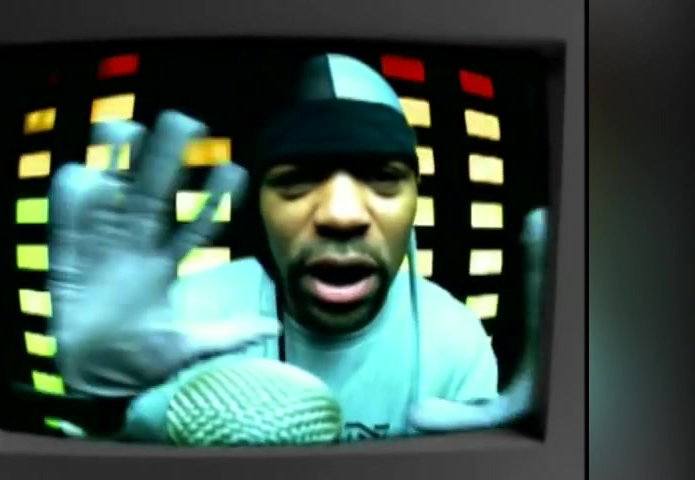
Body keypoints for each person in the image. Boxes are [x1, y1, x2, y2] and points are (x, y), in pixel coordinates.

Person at [47, 53, 547, 444]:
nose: (342, 215)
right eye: (298, 179)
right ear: (260, 212)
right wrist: (104, 404)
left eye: (382, 176)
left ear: (415, 201)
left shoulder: (456, 341)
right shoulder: (182, 320)